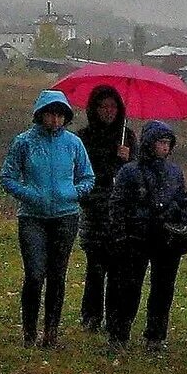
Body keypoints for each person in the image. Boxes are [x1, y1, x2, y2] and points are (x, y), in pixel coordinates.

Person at [0, 91, 95, 349]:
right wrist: (28, 194)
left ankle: (51, 331)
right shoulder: (24, 143)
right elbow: (7, 177)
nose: (55, 120)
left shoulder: (73, 144)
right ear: (41, 115)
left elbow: (88, 177)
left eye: (60, 115)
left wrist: (73, 192)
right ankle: (29, 330)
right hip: (32, 216)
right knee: (34, 274)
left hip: (65, 216)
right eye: (51, 114)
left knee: (57, 275)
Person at [105, 120, 187, 352]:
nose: (164, 147)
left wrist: (183, 226)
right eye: (160, 142)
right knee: (129, 288)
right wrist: (120, 234)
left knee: (163, 289)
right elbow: (118, 204)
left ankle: (156, 335)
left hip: (167, 238)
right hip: (137, 236)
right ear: (149, 144)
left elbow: (182, 202)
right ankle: (119, 333)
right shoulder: (130, 172)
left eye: (167, 143)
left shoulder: (174, 171)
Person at [74, 84, 134, 334]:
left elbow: (134, 172)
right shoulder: (84, 137)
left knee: (118, 269)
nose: (108, 111)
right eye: (103, 107)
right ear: (94, 109)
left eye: (113, 107)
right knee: (96, 267)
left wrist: (127, 158)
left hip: (120, 211)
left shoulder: (127, 136)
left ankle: (114, 317)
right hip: (95, 210)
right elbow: (79, 172)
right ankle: (91, 316)